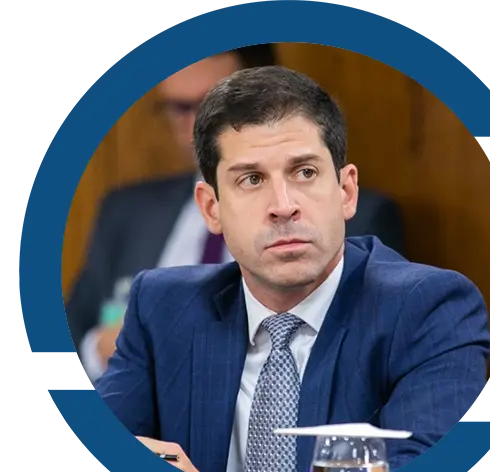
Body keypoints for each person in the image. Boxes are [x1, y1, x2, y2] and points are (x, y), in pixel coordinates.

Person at [92, 65, 490, 472]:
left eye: (304, 172)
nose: (283, 206)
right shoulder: (162, 308)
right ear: (211, 209)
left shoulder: (428, 308)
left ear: (346, 191)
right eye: (251, 179)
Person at [65, 46, 406, 382]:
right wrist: (100, 350)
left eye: (213, 104)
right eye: (180, 108)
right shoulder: (126, 211)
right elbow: (62, 342)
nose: (197, 125)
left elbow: (368, 354)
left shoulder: (352, 216)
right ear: (209, 207)